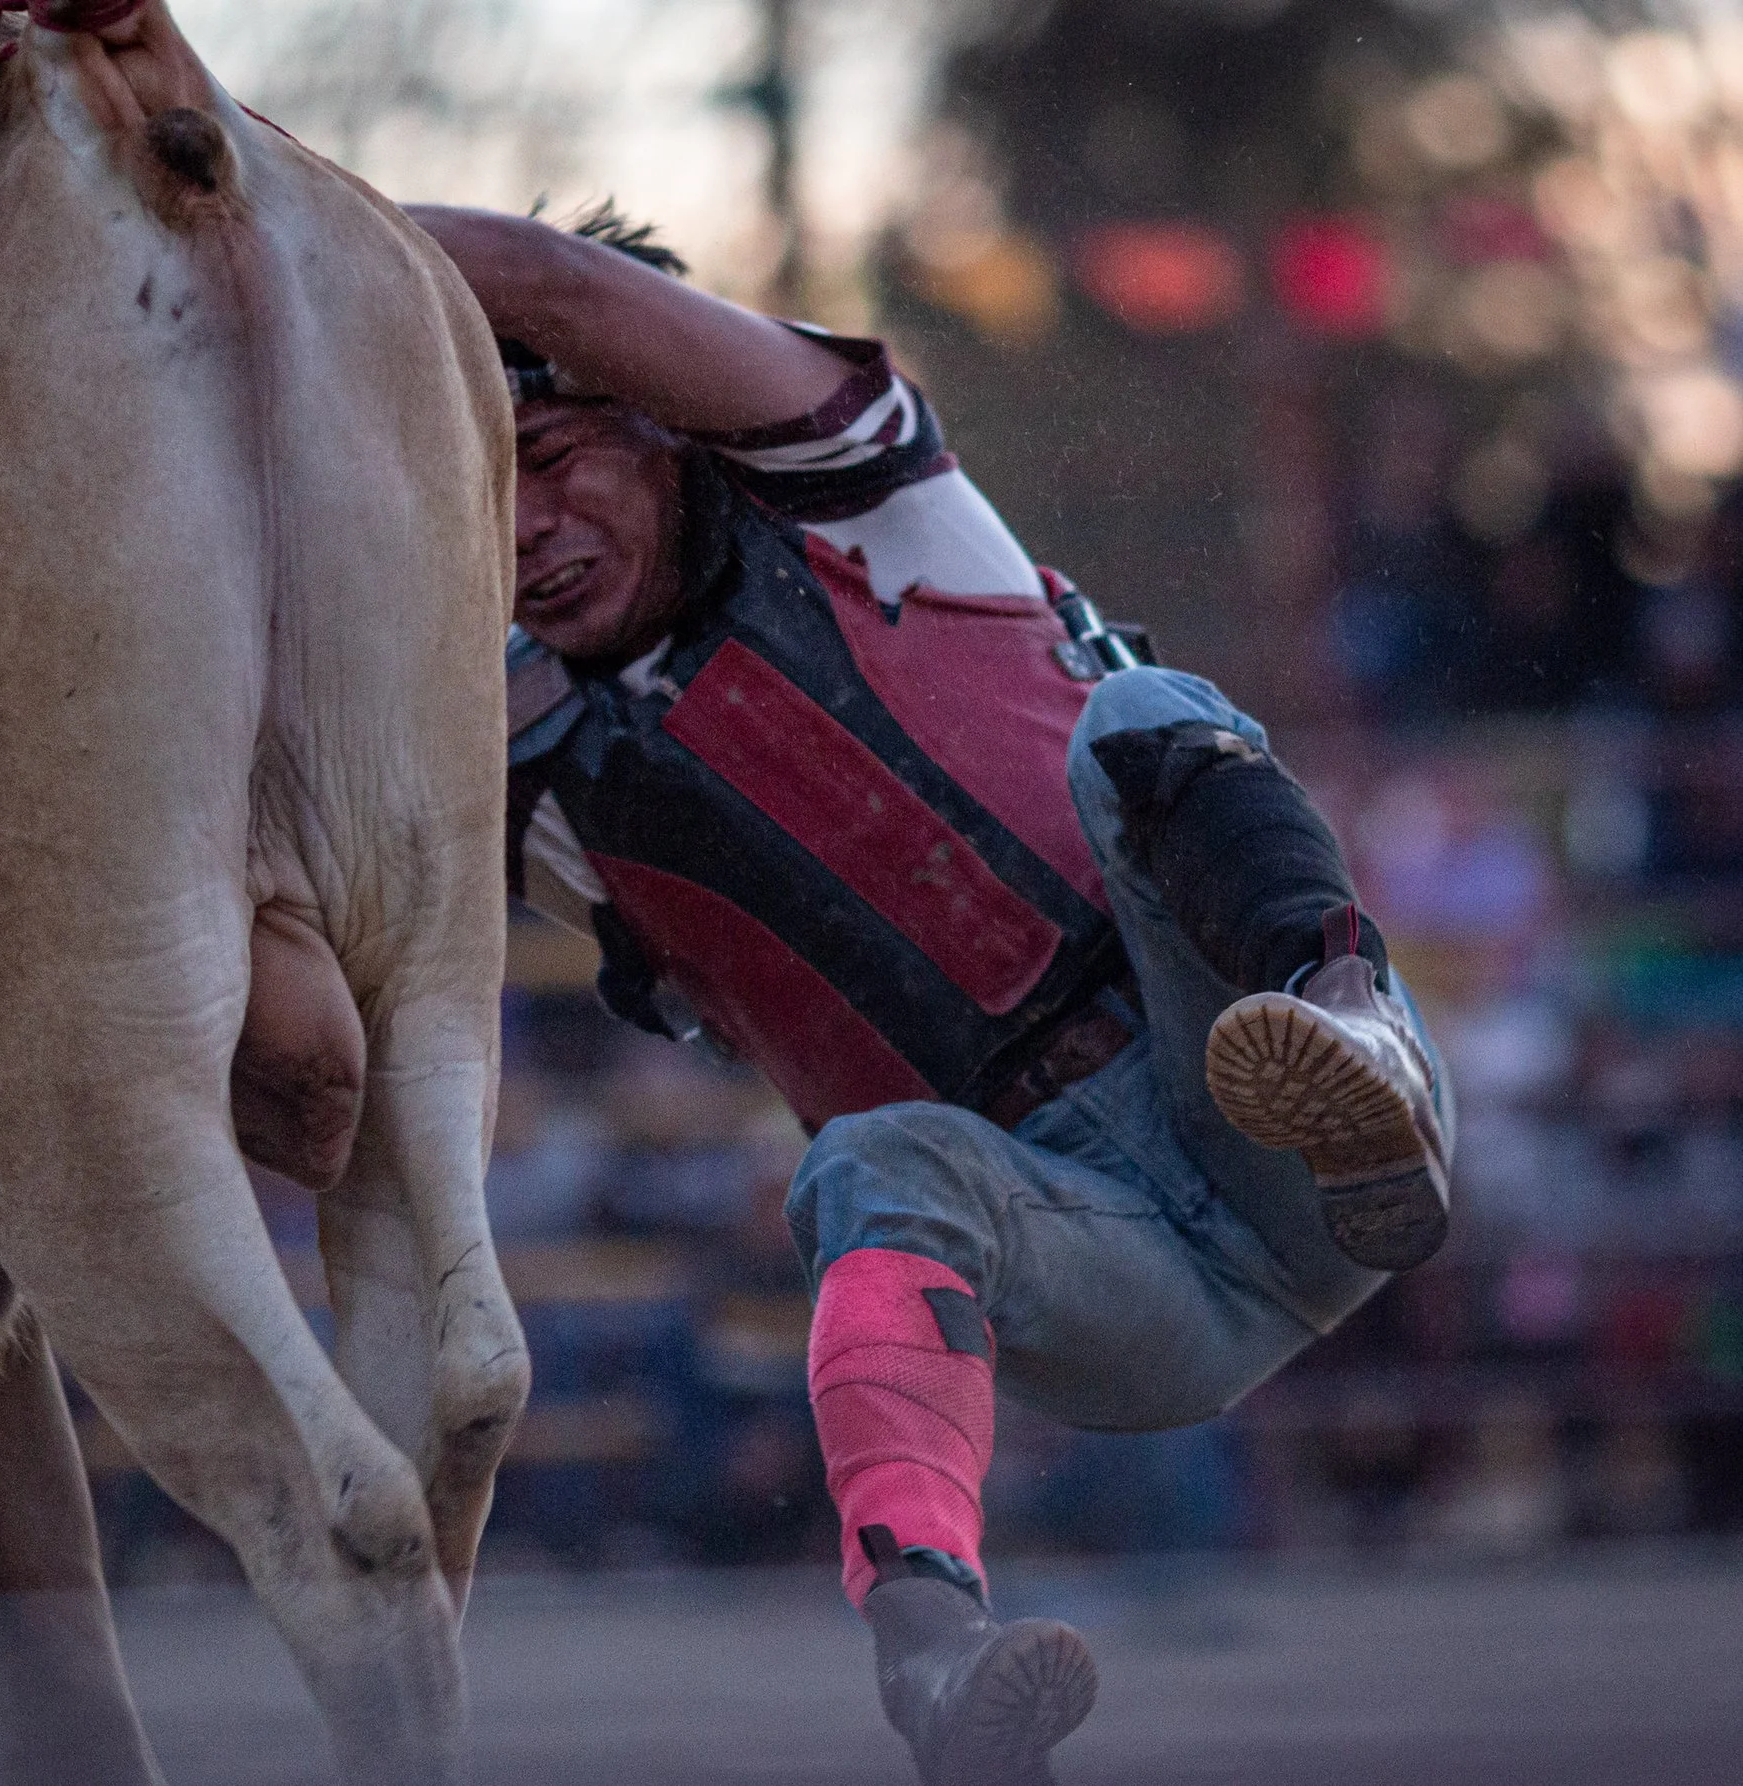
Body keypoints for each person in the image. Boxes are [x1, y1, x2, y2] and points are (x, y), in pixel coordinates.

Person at [407, 201, 1451, 1786]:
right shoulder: (505, 763)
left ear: (671, 432)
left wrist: (243, 199)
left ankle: (1357, 1031)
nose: (527, 529)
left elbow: (550, 281)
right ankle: (936, 1654)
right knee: (860, 1169)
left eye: (554, 461)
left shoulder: (865, 491)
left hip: (1272, 1112)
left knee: (1144, 715)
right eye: (490, 497)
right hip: (1093, 1275)